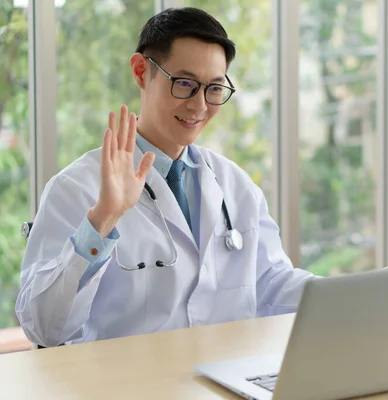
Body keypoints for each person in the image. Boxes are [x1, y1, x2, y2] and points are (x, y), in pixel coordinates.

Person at [15, 7, 316, 348]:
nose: (199, 105)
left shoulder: (236, 186)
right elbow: (42, 328)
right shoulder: (76, 188)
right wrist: (102, 219)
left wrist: (348, 297)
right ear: (141, 71)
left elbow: (273, 285)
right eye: (185, 84)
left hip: (226, 382)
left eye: (214, 89)